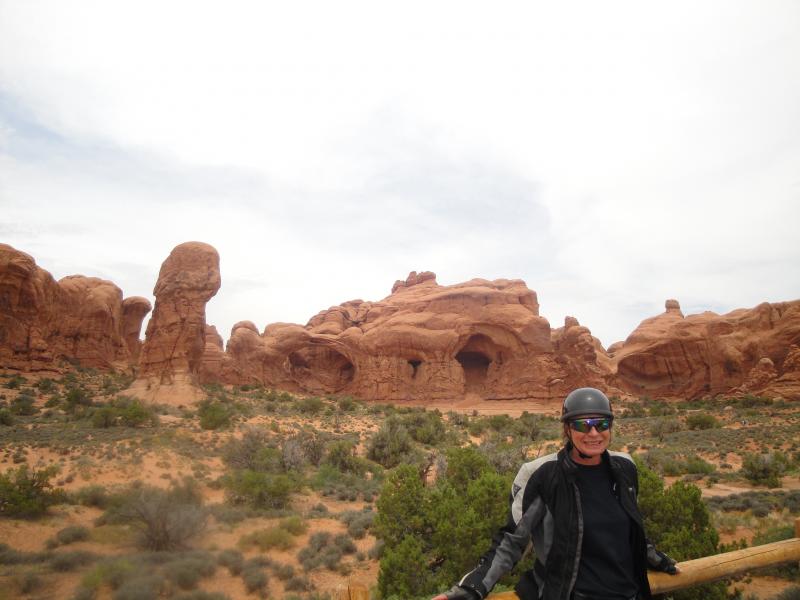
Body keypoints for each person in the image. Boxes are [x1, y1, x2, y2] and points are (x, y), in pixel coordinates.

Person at [432, 387, 679, 600]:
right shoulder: (542, 474)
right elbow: (511, 541)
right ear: (567, 429)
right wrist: (472, 587)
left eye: (602, 424)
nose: (594, 433)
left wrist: (651, 555)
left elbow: (628, 529)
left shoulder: (625, 467)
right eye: (583, 424)